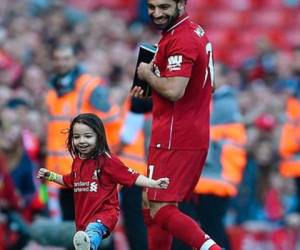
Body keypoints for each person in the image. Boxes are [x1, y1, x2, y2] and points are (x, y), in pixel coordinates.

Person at [131, 0, 222, 249]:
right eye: (151, 7)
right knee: (149, 202)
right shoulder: (194, 31)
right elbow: (207, 85)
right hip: (185, 133)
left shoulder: (182, 38)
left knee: (159, 208)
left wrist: (148, 75)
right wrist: (153, 91)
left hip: (175, 137)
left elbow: (174, 90)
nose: (156, 13)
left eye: (164, 6)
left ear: (181, 4)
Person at [37, 113, 169, 250]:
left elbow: (132, 176)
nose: (82, 141)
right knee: (87, 235)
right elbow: (69, 180)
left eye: (88, 136)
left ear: (98, 137)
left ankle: (90, 244)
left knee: (94, 231)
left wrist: (153, 183)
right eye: (77, 137)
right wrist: (50, 176)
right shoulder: (78, 162)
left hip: (105, 214)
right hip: (83, 217)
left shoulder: (107, 160)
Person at [45, 43, 121, 222]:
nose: (61, 63)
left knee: (92, 228)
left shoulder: (89, 87)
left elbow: (112, 119)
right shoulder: (53, 90)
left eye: (66, 59)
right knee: (71, 230)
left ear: (75, 59)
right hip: (60, 173)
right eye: (57, 59)